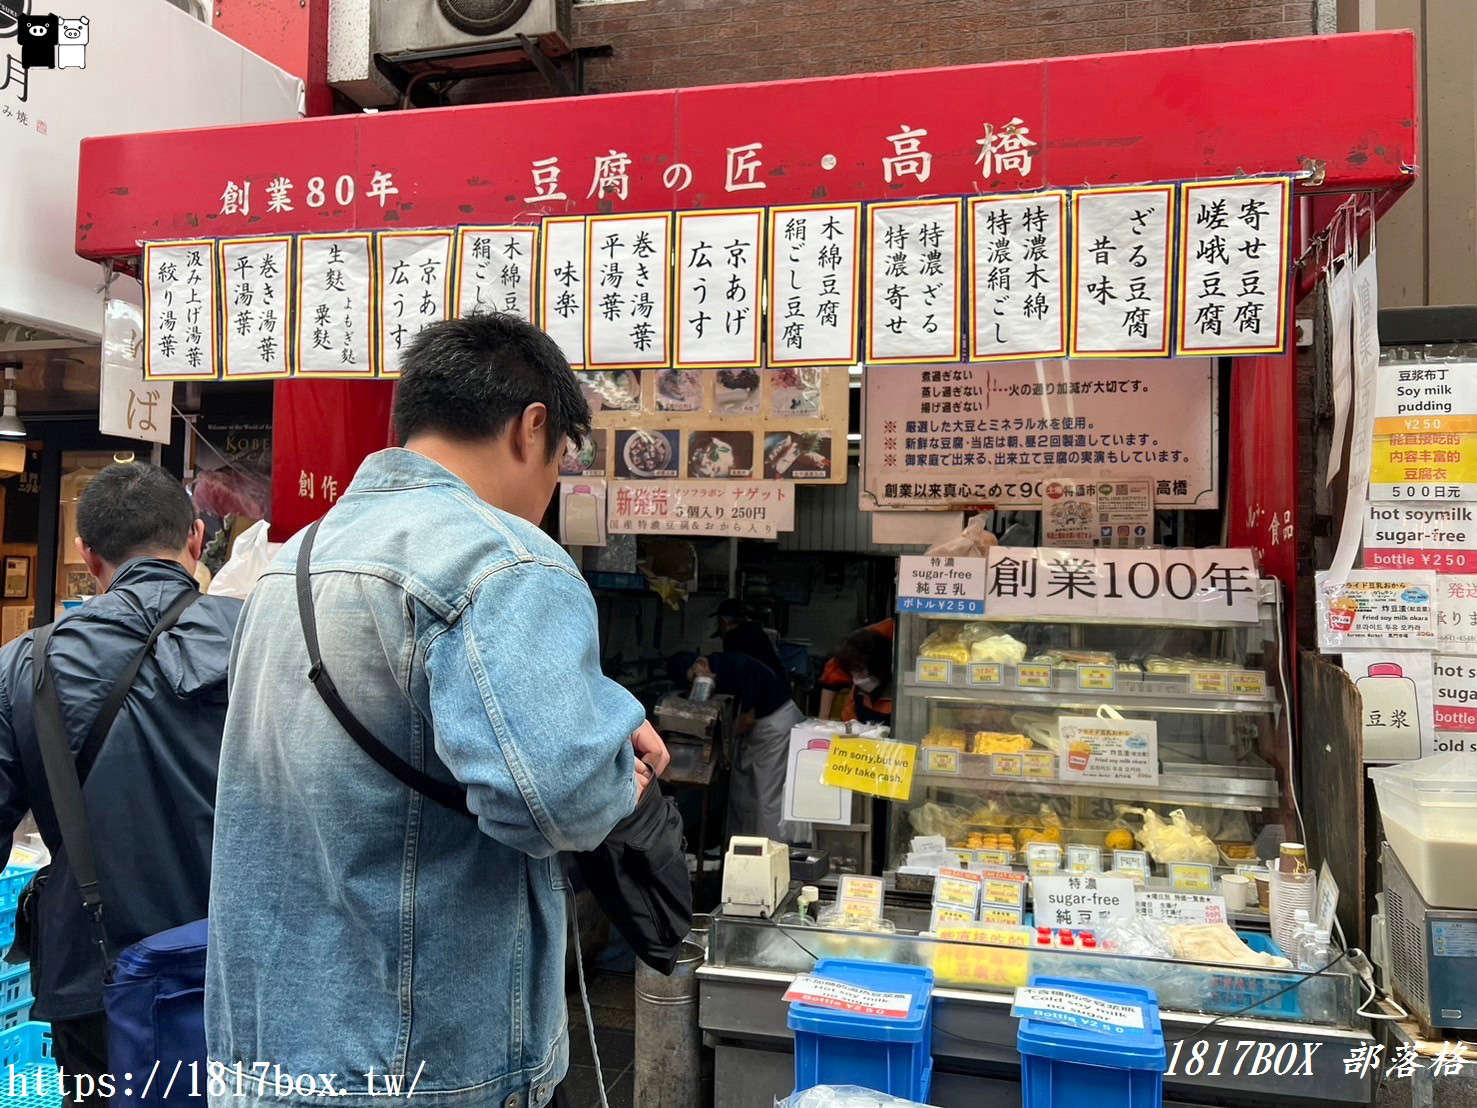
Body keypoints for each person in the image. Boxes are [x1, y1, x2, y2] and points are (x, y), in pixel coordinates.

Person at [207, 312, 669, 1108]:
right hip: (423, 1061)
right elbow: (556, 801)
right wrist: (621, 771)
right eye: (562, 459)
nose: (551, 487)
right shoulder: (505, 560)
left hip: (268, 1045)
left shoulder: (296, 559)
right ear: (532, 429)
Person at [0, 462, 241, 1102]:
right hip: (244, 969)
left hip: (95, 981)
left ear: (87, 554)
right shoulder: (258, 637)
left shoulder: (28, 664)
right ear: (195, 538)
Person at [668, 650, 804, 843]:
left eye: (694, 677)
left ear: (700, 662)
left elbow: (747, 720)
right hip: (755, 732)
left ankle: (772, 852)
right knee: (742, 792)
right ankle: (742, 851)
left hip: (774, 725)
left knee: (766, 795)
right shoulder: (713, 672)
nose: (695, 683)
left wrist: (719, 741)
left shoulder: (735, 665)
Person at [818, 620, 896, 726]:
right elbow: (847, 724)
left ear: (877, 666)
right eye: (852, 672)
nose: (856, 679)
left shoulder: (899, 697)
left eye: (860, 671)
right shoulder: (857, 693)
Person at [713, 597, 787, 681]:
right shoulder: (755, 632)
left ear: (724, 620)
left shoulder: (734, 637)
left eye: (719, 622)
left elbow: (735, 670)